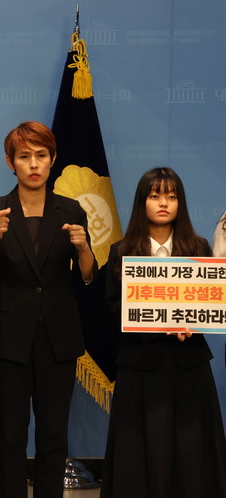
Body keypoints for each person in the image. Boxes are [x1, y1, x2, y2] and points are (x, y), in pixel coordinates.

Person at [0, 121, 95, 498]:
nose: (33, 164)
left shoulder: (71, 210)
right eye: (24, 156)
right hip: (8, 338)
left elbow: (88, 276)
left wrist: (84, 248)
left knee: (53, 435)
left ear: (53, 159)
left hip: (58, 337)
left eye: (41, 155)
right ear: (10, 162)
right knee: (11, 436)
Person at [100, 167, 226, 498]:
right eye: (155, 196)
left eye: (171, 196)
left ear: (180, 203)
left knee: (191, 455)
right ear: (142, 202)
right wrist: (157, 323)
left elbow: (210, 304)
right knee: (139, 457)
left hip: (189, 366)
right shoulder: (121, 251)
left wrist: (191, 324)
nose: (163, 203)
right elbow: (112, 309)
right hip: (139, 366)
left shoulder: (199, 248)